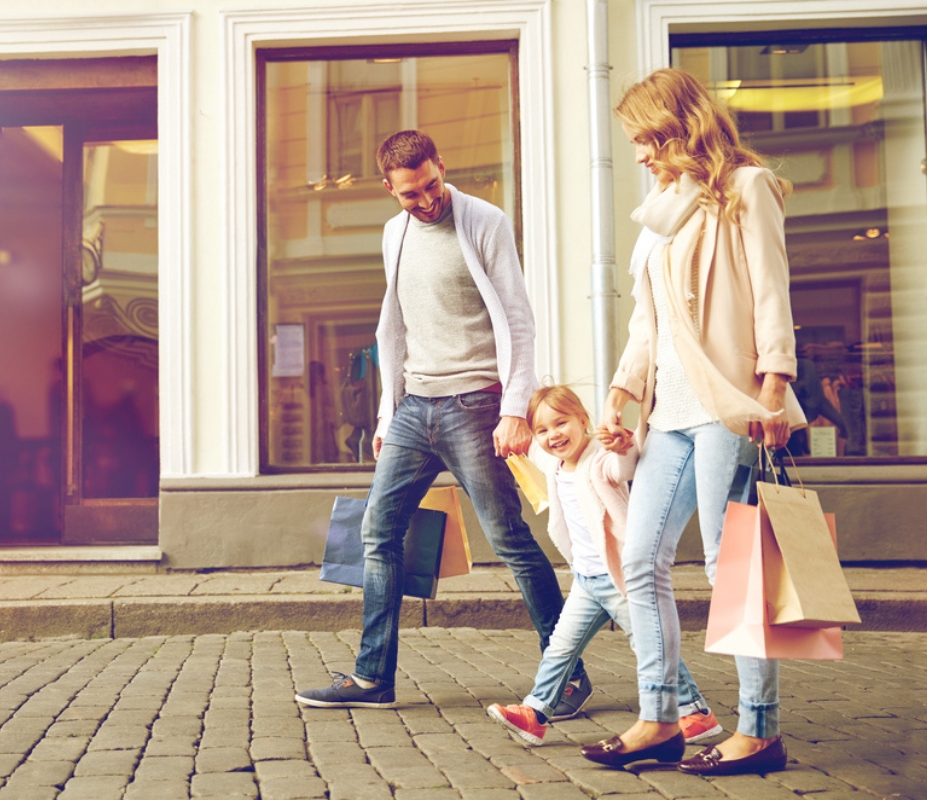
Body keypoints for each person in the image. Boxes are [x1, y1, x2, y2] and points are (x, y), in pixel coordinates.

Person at [295, 130, 587, 712]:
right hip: (413, 408)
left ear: (441, 166)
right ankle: (373, 677)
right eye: (410, 194)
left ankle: (567, 678)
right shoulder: (393, 231)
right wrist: (387, 410)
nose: (426, 201)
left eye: (431, 185)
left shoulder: (484, 221)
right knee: (378, 533)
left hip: (475, 405)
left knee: (508, 540)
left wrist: (512, 410)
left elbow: (519, 321)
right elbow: (394, 323)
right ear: (389, 189)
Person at [582, 68, 806, 775]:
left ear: (680, 126)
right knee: (639, 561)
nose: (641, 155)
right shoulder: (662, 209)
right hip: (667, 412)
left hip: (725, 406)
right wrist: (621, 389)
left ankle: (760, 729)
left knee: (729, 564)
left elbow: (772, 295)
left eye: (646, 139)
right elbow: (648, 319)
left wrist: (773, 388)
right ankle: (661, 717)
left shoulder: (747, 187)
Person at [487, 386, 722, 747]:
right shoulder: (556, 466)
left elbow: (622, 468)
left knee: (649, 641)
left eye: (561, 423)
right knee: (560, 646)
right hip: (586, 579)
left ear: (583, 420)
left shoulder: (598, 459)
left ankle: (695, 712)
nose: (554, 435)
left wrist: (622, 445)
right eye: (543, 430)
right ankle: (535, 714)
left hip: (619, 576)